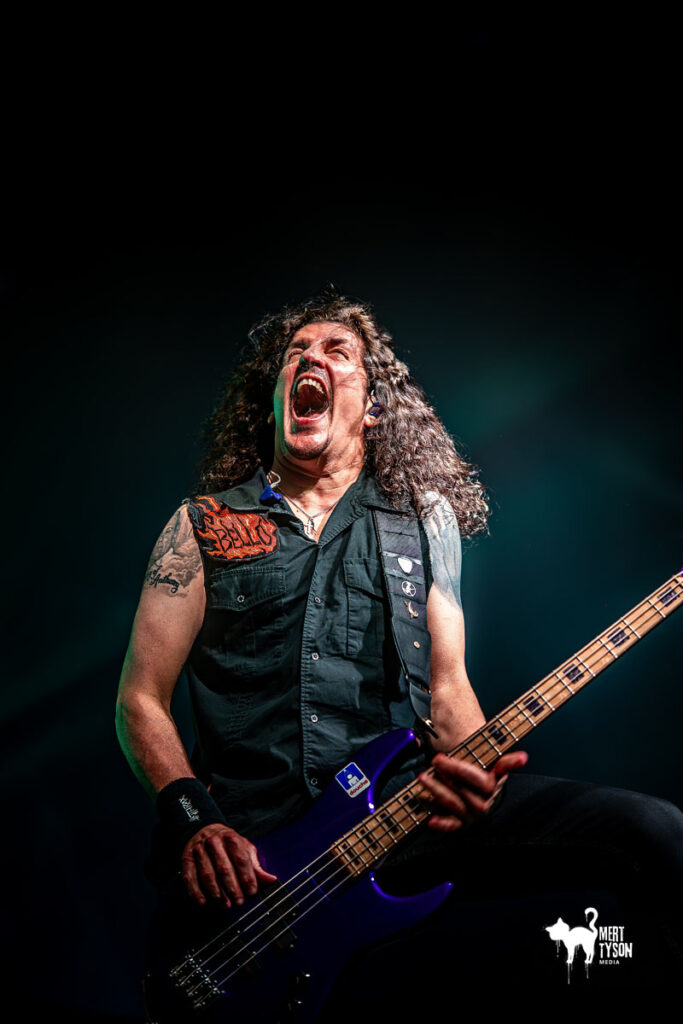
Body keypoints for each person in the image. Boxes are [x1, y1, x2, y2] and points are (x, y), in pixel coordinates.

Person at [116, 288, 682, 1008]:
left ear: (374, 406)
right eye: (295, 353)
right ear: (273, 401)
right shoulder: (203, 525)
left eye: (336, 351)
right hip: (255, 849)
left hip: (396, 815)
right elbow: (140, 698)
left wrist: (476, 778)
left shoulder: (421, 520)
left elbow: (447, 686)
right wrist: (197, 820)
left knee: (651, 831)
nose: (309, 359)